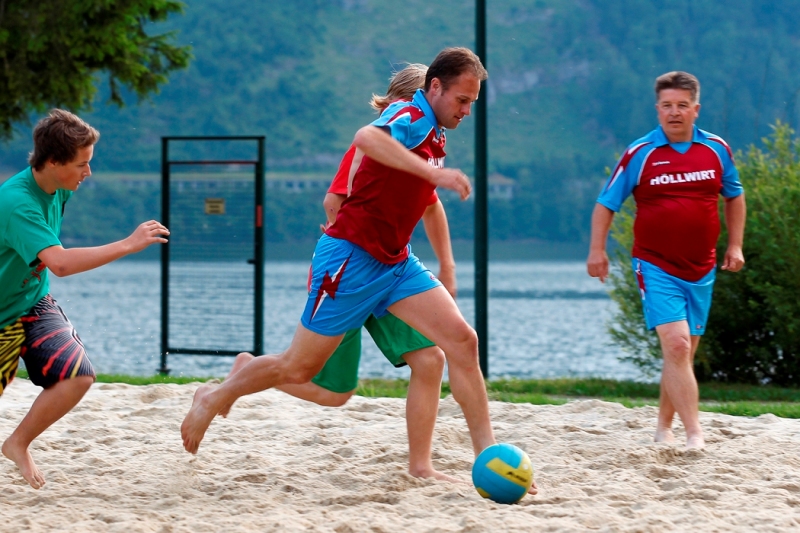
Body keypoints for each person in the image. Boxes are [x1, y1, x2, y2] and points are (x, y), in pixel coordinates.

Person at [182, 47, 537, 494]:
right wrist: (437, 177)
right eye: (462, 100)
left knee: (462, 342)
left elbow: (423, 202)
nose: (467, 110)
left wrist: (445, 258)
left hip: (395, 263)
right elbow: (366, 138)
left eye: (473, 102)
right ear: (435, 87)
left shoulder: (436, 131)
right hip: (349, 261)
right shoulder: (410, 115)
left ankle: (489, 457)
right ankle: (215, 396)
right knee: (298, 368)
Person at [224, 64, 460, 482]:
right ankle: (245, 374)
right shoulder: (380, 142)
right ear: (401, 105)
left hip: (388, 275)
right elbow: (333, 202)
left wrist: (447, 265)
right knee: (330, 389)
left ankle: (421, 466)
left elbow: (431, 205)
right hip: (349, 272)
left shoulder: (424, 148)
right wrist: (344, 250)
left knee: (429, 360)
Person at [0, 109, 170, 488]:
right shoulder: (17, 202)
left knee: (77, 376)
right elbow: (59, 263)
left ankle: (17, 443)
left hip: (31, 302)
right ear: (53, 161)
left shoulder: (59, 187)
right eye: (81, 164)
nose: (88, 172)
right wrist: (128, 244)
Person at [586, 71, 746, 449]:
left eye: (682, 105)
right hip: (655, 264)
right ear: (657, 109)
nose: (674, 112)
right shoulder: (640, 153)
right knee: (676, 346)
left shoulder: (717, 149)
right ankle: (695, 434)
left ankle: (663, 428)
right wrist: (597, 250)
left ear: (696, 109)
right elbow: (606, 203)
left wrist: (735, 245)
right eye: (667, 105)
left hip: (702, 267)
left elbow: (734, 196)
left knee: (682, 354)